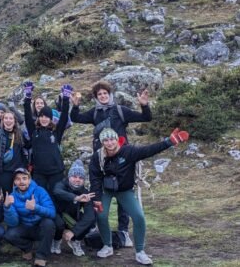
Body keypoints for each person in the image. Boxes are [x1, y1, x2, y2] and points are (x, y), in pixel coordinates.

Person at [70, 80, 153, 246]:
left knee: (123, 194)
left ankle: (123, 231)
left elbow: (146, 117)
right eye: (99, 94)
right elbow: (76, 118)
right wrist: (75, 105)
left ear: (110, 94)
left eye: (105, 93)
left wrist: (144, 105)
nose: (102, 96)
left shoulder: (121, 111)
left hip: (123, 160)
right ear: (96, 97)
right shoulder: (94, 113)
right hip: (102, 162)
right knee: (102, 194)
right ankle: (103, 233)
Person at [90, 127, 189, 265]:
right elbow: (94, 177)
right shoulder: (98, 156)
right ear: (102, 142)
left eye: (112, 139)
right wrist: (96, 199)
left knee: (139, 217)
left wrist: (169, 142)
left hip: (125, 190)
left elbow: (148, 150)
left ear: (117, 139)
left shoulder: (129, 151)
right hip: (105, 190)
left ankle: (140, 252)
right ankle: (107, 246)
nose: (109, 143)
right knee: (101, 215)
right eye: (105, 140)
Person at [22, 82, 70, 195]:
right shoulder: (33, 131)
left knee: (56, 196)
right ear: (38, 118)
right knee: (40, 196)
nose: (44, 119)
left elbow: (64, 117)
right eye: (42, 116)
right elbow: (27, 115)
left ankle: (58, 213)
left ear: (50, 119)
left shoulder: (56, 132)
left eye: (47, 117)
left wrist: (66, 99)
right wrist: (28, 97)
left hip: (56, 172)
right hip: (39, 173)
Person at [3, 168, 56, 267]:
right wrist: (7, 207)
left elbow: (52, 213)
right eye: (18, 179)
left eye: (24, 178)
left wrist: (36, 208)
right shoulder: (12, 196)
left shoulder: (40, 191)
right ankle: (28, 248)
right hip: (24, 227)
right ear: (14, 182)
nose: (21, 181)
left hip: (39, 227)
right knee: (9, 234)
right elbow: (13, 223)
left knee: (49, 223)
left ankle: (41, 256)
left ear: (29, 180)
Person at [50, 160, 96, 257]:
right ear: (69, 177)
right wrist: (76, 198)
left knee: (91, 222)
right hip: (58, 214)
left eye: (80, 178)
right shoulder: (61, 184)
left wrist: (73, 232)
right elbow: (57, 191)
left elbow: (90, 215)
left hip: (72, 217)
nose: (77, 180)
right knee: (59, 224)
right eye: (74, 176)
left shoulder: (85, 191)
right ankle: (56, 240)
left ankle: (76, 241)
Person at [0, 98, 28, 194]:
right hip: (4, 172)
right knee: (7, 195)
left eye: (11, 118)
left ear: (14, 121)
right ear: (2, 121)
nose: (8, 120)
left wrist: (25, 166)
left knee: (19, 195)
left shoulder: (20, 133)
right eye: (6, 118)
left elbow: (26, 148)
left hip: (18, 171)